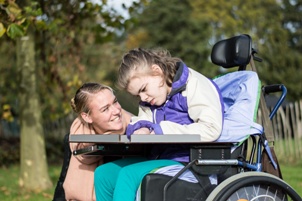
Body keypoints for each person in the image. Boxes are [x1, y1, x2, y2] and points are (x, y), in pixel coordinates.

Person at [94, 48, 224, 201]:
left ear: (157, 72)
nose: (143, 97)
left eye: (143, 89)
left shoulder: (194, 85)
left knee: (128, 175)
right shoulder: (153, 98)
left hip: (190, 161)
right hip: (161, 157)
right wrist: (141, 127)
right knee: (103, 174)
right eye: (138, 95)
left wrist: (161, 129)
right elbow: (142, 121)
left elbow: (211, 129)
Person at [63, 82, 133, 201]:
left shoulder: (135, 126)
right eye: (105, 109)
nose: (116, 111)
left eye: (115, 101)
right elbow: (62, 183)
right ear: (87, 117)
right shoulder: (76, 138)